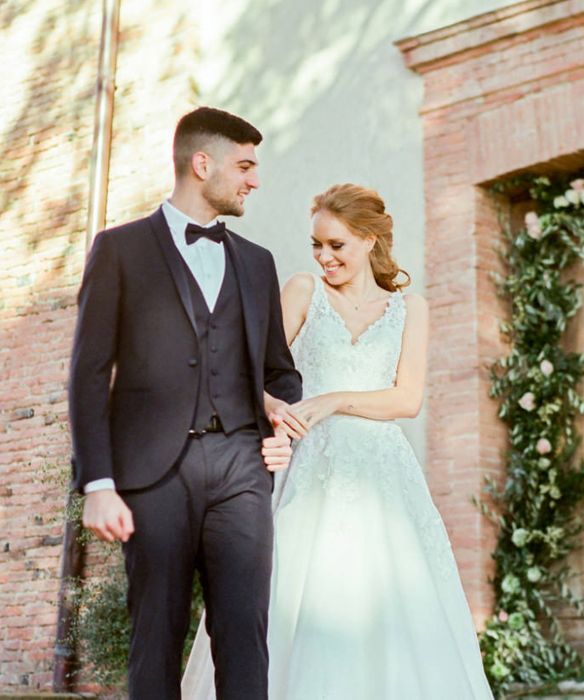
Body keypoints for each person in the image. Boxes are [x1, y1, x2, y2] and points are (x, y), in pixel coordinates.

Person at [182, 184, 493, 699]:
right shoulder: (304, 291)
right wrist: (274, 407)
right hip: (312, 473)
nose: (324, 257)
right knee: (302, 599)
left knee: (393, 608)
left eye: (337, 246)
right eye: (317, 246)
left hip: (385, 476)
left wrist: (331, 400)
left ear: (370, 241)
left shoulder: (409, 309)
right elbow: (244, 373)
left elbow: (406, 399)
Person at [68, 106, 302, 700]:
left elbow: (281, 372)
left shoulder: (257, 262)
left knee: (246, 638)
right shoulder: (119, 250)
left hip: (242, 470)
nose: (254, 180)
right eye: (245, 165)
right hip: (153, 473)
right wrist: (98, 483)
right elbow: (89, 374)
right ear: (202, 164)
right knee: (156, 636)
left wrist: (282, 427)